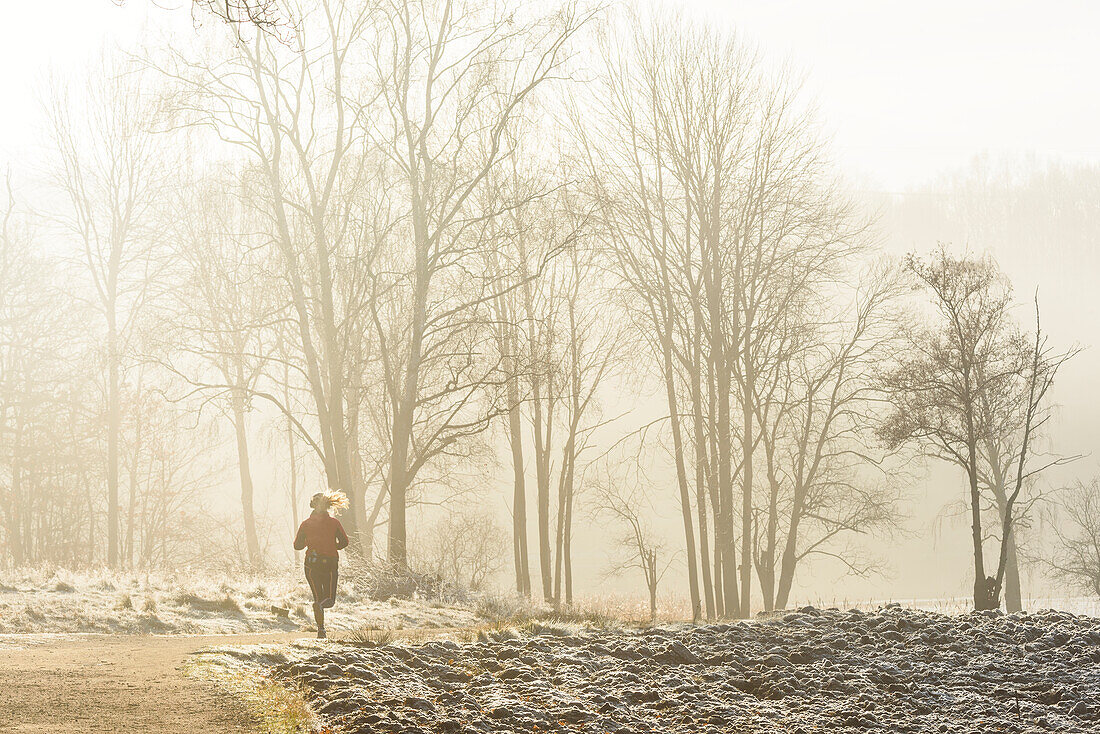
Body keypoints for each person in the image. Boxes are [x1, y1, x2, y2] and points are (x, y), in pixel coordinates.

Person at [293, 490, 350, 639]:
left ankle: (321, 630)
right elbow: (345, 542)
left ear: (312, 505)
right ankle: (321, 619)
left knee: (317, 598)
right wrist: (332, 546)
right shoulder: (334, 523)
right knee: (329, 600)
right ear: (328, 506)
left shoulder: (305, 524)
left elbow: (297, 546)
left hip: (311, 564)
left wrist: (309, 542)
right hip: (330, 563)